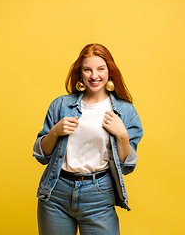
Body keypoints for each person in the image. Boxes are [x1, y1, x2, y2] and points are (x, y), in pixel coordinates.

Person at [33, 43, 143, 235]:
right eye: (87, 69)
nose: (94, 76)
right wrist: (55, 132)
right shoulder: (60, 105)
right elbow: (41, 155)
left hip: (99, 195)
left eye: (100, 69)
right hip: (56, 192)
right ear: (80, 73)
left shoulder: (125, 111)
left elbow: (127, 166)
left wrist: (123, 135)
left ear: (110, 71)